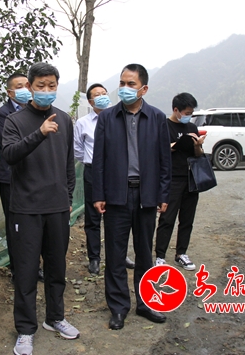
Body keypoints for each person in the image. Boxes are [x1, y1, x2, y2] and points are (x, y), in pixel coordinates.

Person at [1, 62, 79, 355]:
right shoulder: (15, 121)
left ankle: (55, 318)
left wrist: (68, 197)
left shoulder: (65, 120)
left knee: (57, 268)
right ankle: (25, 329)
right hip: (26, 209)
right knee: (26, 272)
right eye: (41, 86)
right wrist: (40, 133)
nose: (47, 90)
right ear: (30, 87)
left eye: (52, 85)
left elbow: (69, 163)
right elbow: (9, 155)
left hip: (57, 207)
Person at [92, 63, 171, 330]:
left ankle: (145, 303)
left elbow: (165, 160)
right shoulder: (107, 118)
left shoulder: (157, 117)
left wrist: (163, 194)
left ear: (144, 89)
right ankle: (118, 307)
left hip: (146, 195)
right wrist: (98, 194)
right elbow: (99, 160)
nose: (124, 88)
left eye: (131, 84)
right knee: (115, 254)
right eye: (122, 83)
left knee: (144, 253)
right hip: (117, 194)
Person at [73, 84, 136, 275]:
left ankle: (119, 255)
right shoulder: (83, 123)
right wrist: (93, 162)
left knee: (118, 216)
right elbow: (77, 149)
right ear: (90, 101)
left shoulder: (121, 118)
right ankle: (94, 258)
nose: (102, 97)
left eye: (104, 93)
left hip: (117, 173)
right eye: (97, 95)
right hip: (93, 173)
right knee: (93, 218)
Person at [0, 73, 44, 282]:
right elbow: (10, 148)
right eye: (19, 86)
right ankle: (17, 270)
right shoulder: (3, 115)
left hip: (34, 176)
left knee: (35, 223)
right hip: (11, 178)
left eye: (26, 85)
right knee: (14, 225)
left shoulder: (35, 111)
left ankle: (35, 267)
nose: (25, 89)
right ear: (10, 92)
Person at [154, 93, 205, 270]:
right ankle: (160, 256)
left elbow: (198, 154)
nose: (188, 116)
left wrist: (197, 145)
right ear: (176, 110)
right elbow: (157, 150)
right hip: (171, 180)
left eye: (191, 113)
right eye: (186, 112)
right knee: (167, 219)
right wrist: (176, 145)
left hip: (191, 179)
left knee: (187, 219)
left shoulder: (192, 127)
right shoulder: (163, 126)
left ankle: (181, 253)